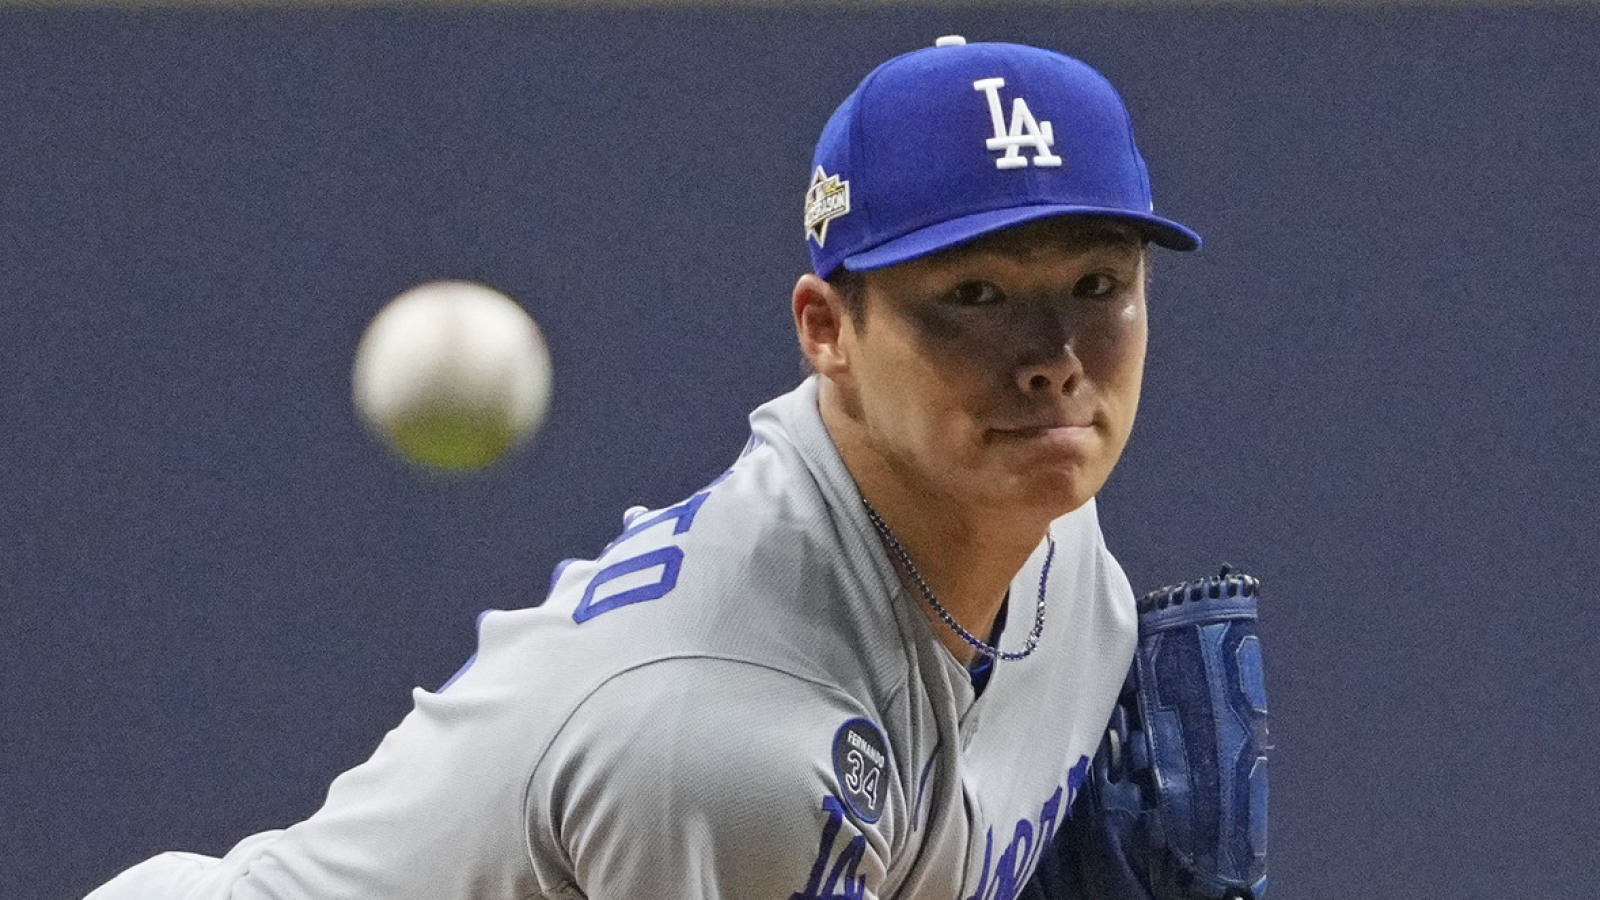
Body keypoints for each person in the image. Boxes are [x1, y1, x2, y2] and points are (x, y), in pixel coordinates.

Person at [86, 36, 1263, 900]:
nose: (1055, 359)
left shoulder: (1056, 545)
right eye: (974, 296)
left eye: (1096, 286)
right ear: (827, 332)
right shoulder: (726, 744)